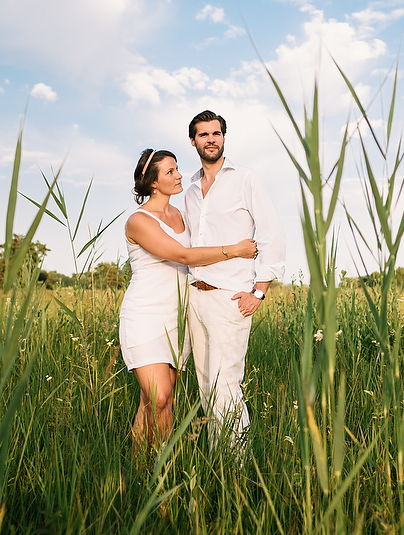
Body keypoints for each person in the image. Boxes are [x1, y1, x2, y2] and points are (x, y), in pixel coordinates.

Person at [120, 148, 257, 450]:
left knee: (156, 401)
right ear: (153, 183)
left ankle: (150, 469)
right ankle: (152, 469)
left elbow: (201, 245)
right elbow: (182, 254)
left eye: (177, 168)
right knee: (158, 397)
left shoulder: (180, 214)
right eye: (170, 172)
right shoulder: (138, 221)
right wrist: (235, 249)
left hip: (178, 316)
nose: (179, 175)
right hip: (145, 316)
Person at [184, 110, 286, 446]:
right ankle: (217, 461)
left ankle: (236, 469)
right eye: (203, 134)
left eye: (216, 133)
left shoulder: (245, 179)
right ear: (193, 141)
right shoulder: (190, 191)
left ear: (223, 138)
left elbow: (271, 234)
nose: (210, 139)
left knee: (225, 383)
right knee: (204, 384)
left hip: (230, 297)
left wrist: (259, 292)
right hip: (194, 295)